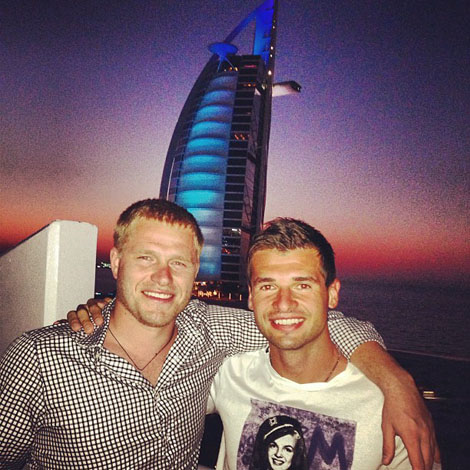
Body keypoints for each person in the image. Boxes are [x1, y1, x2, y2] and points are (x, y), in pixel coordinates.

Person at [0, 199, 437, 469]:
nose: (163, 278)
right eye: (146, 258)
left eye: (179, 263)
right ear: (116, 262)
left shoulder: (211, 332)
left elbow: (306, 322)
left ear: (195, 272)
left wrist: (395, 380)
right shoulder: (38, 359)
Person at [208, 218, 440, 470]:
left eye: (302, 285)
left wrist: (396, 382)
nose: (283, 303)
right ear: (252, 297)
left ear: (332, 293)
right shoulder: (228, 374)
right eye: (268, 286)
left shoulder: (388, 405)